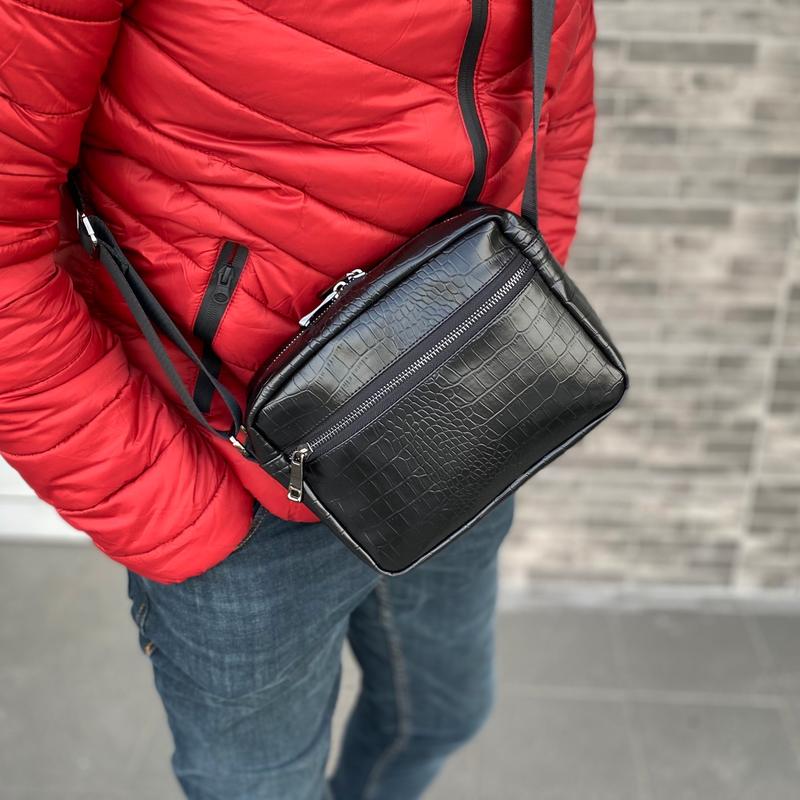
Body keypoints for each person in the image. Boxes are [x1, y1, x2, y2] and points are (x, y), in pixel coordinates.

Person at [0, 0, 597, 797]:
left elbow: (556, 100)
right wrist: (176, 513)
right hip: (236, 483)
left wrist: (520, 318)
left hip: (460, 422)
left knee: (441, 717)